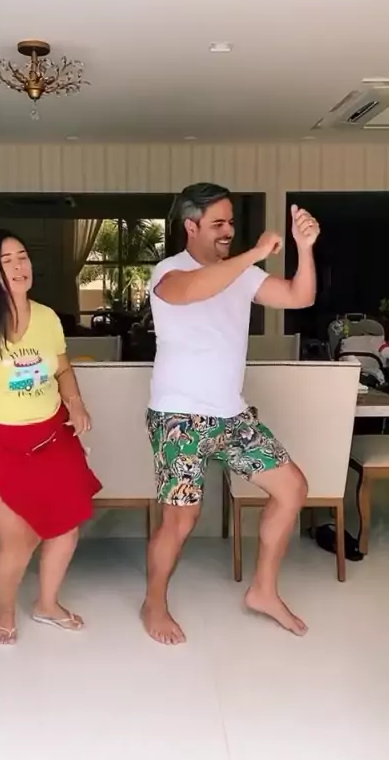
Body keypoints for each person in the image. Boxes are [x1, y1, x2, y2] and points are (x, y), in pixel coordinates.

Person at [142, 182, 320, 645]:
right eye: (217, 223)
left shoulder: (242, 274)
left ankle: (263, 591)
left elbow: (300, 296)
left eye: (231, 223)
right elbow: (193, 291)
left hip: (232, 415)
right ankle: (154, 603)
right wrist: (254, 253)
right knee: (181, 519)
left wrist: (304, 248)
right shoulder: (169, 271)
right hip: (179, 418)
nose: (228, 231)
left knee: (292, 488)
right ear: (191, 226)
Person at [0, 230, 101, 645]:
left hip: (51, 438)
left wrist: (76, 403)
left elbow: (62, 369)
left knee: (66, 526)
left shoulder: (47, 318)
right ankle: (5, 609)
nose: (18, 266)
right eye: (6, 260)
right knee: (19, 538)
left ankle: (47, 603)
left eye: (22, 256)